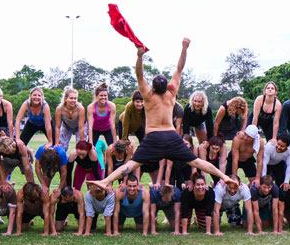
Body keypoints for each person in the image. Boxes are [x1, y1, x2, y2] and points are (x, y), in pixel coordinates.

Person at [87, 39, 235, 190]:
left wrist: (139, 56)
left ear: (153, 87)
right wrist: (184, 48)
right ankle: (224, 177)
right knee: (195, 161)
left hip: (153, 137)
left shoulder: (149, 96)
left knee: (132, 163)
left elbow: (139, 75)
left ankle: (105, 181)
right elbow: (179, 68)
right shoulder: (171, 94)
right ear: (167, 87)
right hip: (171, 136)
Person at [54, 86, 86, 150]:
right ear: (66, 99)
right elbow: (57, 127)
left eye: (75, 98)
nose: (73, 100)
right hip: (67, 126)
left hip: (79, 127)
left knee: (81, 148)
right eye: (71, 98)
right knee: (61, 147)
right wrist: (56, 143)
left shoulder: (81, 109)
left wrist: (82, 142)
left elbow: (81, 127)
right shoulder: (59, 109)